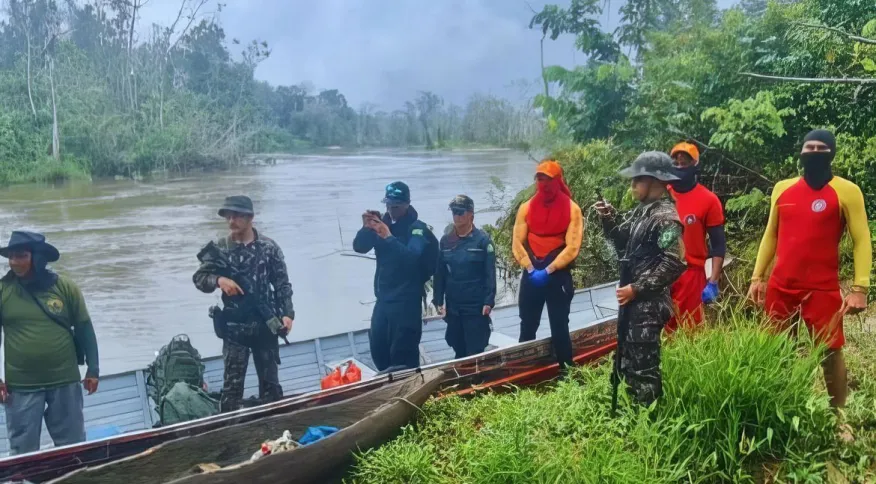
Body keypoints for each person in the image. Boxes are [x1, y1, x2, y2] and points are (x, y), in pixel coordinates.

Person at [748, 129, 871, 409]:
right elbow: (771, 235)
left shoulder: (847, 191)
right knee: (777, 350)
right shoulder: (783, 188)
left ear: (832, 153)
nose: (813, 152)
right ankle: (782, 408)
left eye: (820, 148)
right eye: (808, 147)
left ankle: (838, 416)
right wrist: (758, 277)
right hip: (781, 285)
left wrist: (859, 288)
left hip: (822, 287)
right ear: (801, 153)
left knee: (831, 352)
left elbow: (862, 240)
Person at [595, 152, 686, 405]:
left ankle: (648, 424)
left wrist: (637, 288)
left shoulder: (665, 217)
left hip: (648, 304)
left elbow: (676, 261)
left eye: (638, 180)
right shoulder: (643, 211)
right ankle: (632, 419)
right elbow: (622, 241)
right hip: (634, 304)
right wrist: (608, 218)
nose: (632, 185)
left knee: (644, 370)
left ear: (656, 181)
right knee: (627, 363)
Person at [0, 231, 100, 455]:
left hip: (64, 380)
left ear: (37, 258)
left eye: (21, 256)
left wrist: (93, 368)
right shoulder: (3, 290)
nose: (14, 262)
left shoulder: (65, 287)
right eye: (11, 256)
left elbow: (84, 327)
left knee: (73, 446)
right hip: (22, 386)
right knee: (22, 450)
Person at [193, 196, 294, 412]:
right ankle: (231, 434)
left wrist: (288, 314)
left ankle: (275, 429)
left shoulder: (269, 247)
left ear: (250, 218)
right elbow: (199, 279)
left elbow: (282, 284)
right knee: (232, 391)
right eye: (228, 216)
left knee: (271, 389)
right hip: (235, 328)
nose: (231, 220)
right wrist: (219, 281)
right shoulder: (221, 248)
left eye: (237, 215)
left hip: (265, 325)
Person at [353, 181, 438, 371]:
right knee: (378, 349)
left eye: (396, 206)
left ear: (407, 204)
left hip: (407, 301)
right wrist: (366, 228)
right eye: (388, 205)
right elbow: (359, 247)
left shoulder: (417, 229)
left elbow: (412, 259)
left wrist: (389, 238)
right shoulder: (382, 225)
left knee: (403, 355)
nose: (391, 210)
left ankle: (411, 389)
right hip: (384, 299)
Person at [512, 160, 583, 370]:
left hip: (557, 274)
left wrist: (550, 269)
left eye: (548, 179)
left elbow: (572, 247)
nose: (544, 184)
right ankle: (523, 371)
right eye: (540, 178)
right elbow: (516, 242)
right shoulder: (526, 208)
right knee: (527, 324)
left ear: (558, 180)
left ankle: (566, 372)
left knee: (559, 326)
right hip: (532, 271)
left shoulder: (572, 209)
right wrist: (530, 267)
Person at [666, 142, 727, 333]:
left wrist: (713, 282)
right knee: (662, 333)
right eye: (676, 160)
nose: (680, 163)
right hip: (660, 274)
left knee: (690, 332)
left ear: (695, 165)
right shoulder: (660, 194)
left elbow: (718, 244)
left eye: (685, 160)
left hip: (690, 275)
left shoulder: (708, 200)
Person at [432, 195, 497, 359]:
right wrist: (438, 300)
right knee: (456, 343)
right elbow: (440, 274)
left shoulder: (483, 241)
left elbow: (490, 274)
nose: (457, 216)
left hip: (475, 306)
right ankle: (461, 379)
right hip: (454, 305)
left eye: (461, 212)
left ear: (471, 214)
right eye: (454, 212)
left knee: (475, 348)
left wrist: (489, 301)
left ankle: (476, 381)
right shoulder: (446, 241)